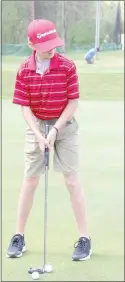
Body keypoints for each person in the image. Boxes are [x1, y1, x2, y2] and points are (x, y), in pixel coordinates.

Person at [6, 19, 92, 261]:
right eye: (45, 44)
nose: (51, 48)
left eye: (53, 43)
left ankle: (84, 239)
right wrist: (37, 133)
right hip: (36, 124)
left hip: (64, 126)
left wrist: (54, 130)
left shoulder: (67, 66)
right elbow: (24, 108)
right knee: (30, 181)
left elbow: (73, 102)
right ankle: (18, 236)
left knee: (72, 181)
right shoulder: (24, 70)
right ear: (31, 44)